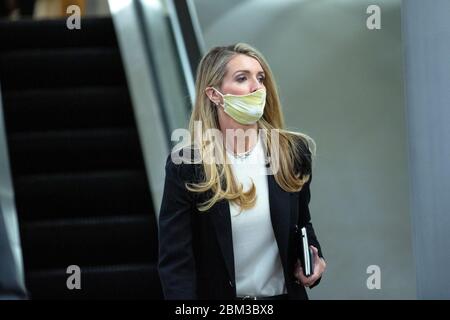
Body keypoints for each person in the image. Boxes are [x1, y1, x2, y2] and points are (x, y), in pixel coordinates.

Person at [158, 43, 326, 300]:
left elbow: (302, 223)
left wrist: (313, 260)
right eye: (242, 78)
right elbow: (176, 260)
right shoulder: (188, 165)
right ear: (214, 94)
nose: (257, 87)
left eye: (260, 78)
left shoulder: (292, 152)